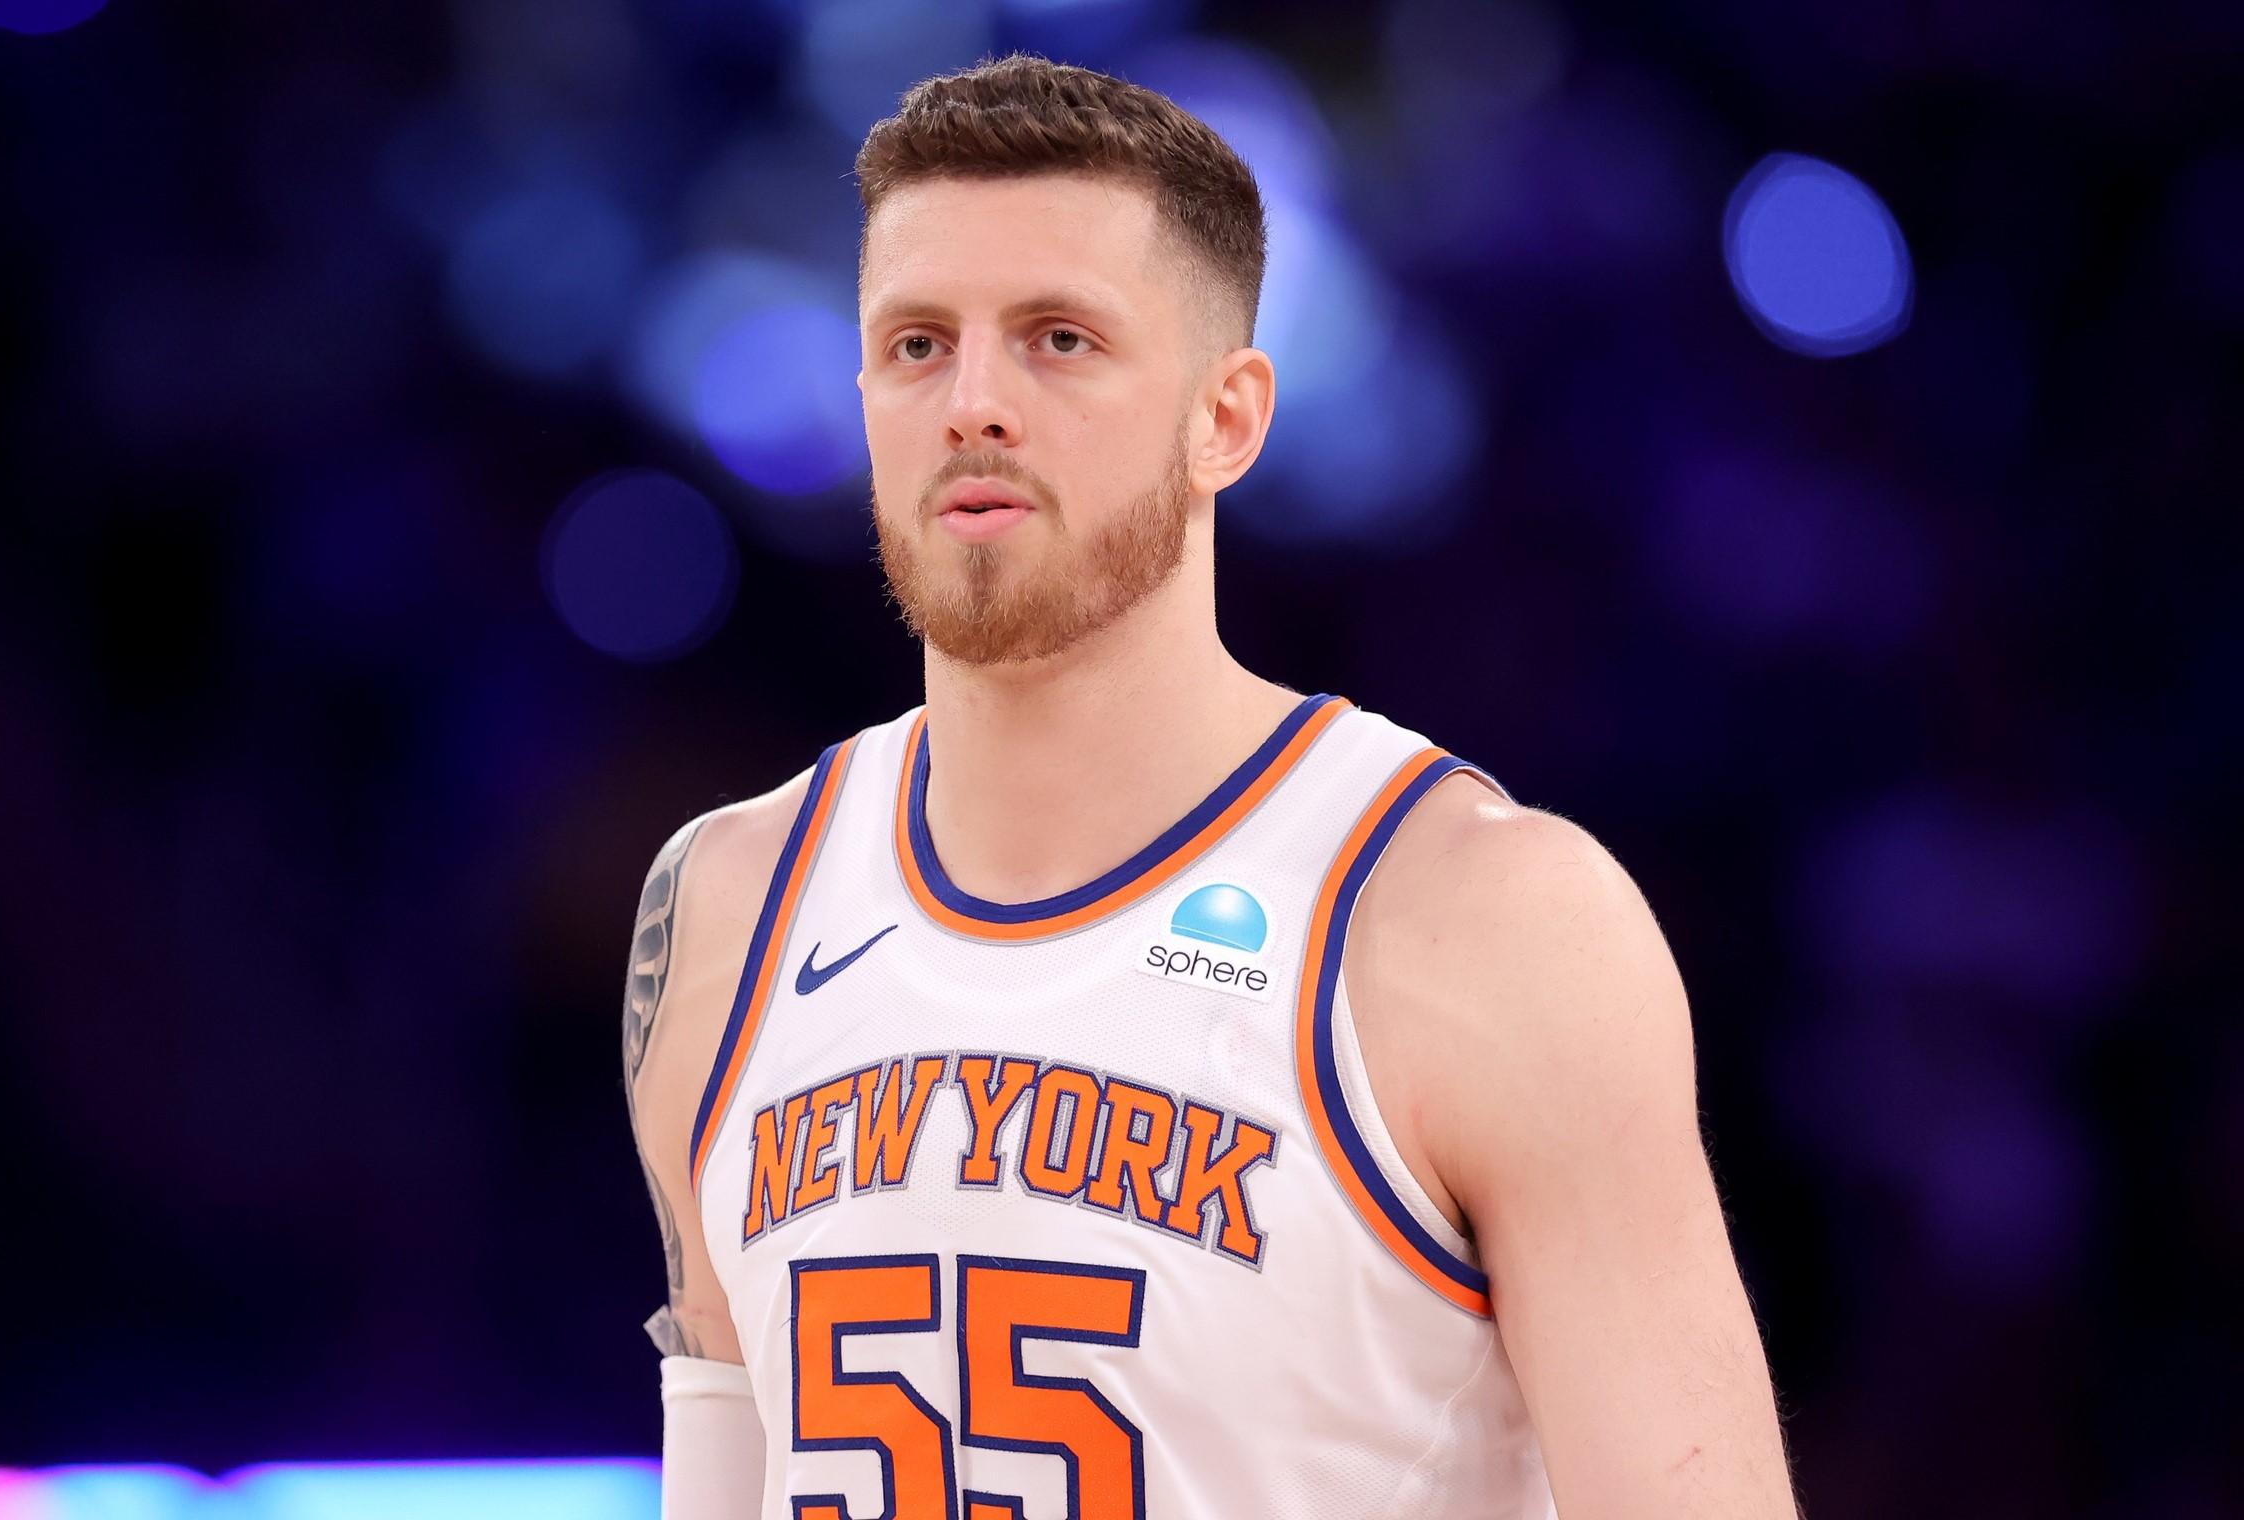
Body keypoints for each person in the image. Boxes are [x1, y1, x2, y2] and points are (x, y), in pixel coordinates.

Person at [619, 53, 1799, 1520]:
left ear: (1225, 419)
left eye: (1057, 339)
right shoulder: (726, 909)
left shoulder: (1481, 917)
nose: (973, 401)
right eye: (918, 344)